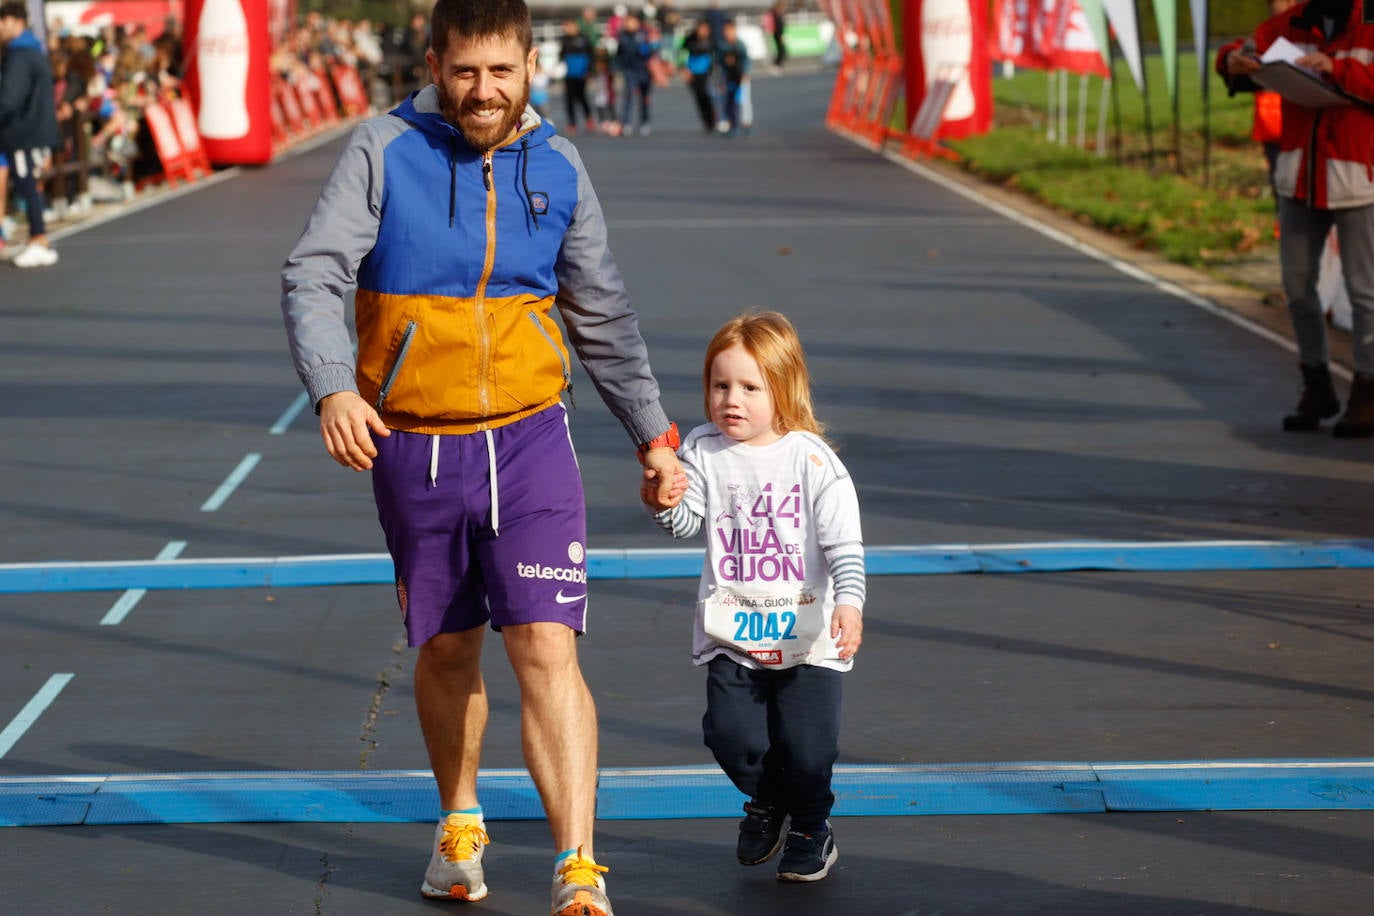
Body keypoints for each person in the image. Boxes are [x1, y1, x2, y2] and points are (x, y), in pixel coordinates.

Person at [279, 1, 684, 913]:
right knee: (451, 646)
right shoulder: (382, 148)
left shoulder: (561, 164)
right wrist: (334, 385)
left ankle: (578, 863)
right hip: (415, 444)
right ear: (435, 63)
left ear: (530, 66)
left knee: (546, 643)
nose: (484, 90)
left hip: (533, 437)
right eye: (466, 71)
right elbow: (314, 272)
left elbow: (602, 313)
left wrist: (654, 435)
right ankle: (459, 821)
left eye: (502, 71)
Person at [643, 310, 866, 883]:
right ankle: (770, 801)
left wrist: (849, 602)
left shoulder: (812, 460)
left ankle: (813, 826)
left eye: (749, 387)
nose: (731, 400)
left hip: (809, 637)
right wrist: (665, 500)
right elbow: (689, 520)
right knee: (730, 737)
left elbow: (844, 544)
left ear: (784, 389)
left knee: (809, 749)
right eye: (720, 386)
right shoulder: (702, 450)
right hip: (734, 634)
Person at [1217, 0, 1374, 437]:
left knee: (1366, 294)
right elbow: (1246, 49)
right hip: (1300, 174)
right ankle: (1316, 384)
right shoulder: (1294, 20)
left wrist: (1336, 70)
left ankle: (1367, 391)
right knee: (1298, 289)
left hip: (1359, 174)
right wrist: (1231, 60)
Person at [0, 1, 61, 268]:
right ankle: (38, 239)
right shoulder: (34, 49)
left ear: (13, 21)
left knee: (27, 185)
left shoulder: (20, 54)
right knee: (29, 186)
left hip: (24, 131)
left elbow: (10, 98)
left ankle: (38, 239)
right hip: (35, 128)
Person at [613, 13, 657, 136]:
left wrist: (647, 47)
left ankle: (645, 122)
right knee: (629, 96)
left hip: (644, 71)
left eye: (632, 22)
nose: (630, 24)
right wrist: (617, 68)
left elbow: (651, 52)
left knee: (644, 98)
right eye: (628, 22)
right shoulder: (623, 36)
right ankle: (626, 122)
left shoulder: (645, 34)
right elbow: (619, 55)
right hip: (630, 70)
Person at [679, 19, 717, 132]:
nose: (702, 32)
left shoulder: (711, 41)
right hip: (692, 72)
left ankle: (712, 119)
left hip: (706, 73)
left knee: (707, 95)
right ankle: (705, 120)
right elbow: (681, 54)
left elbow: (716, 56)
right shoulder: (689, 40)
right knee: (698, 97)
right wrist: (683, 69)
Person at [715, 19, 751, 136]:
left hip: (740, 77)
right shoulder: (721, 46)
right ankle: (732, 125)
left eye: (729, 30)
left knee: (743, 101)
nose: (727, 33)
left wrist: (745, 73)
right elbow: (718, 64)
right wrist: (720, 80)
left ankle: (747, 124)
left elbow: (747, 60)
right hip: (728, 78)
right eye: (725, 30)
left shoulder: (740, 44)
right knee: (728, 102)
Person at [559, 17, 594, 134]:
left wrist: (589, 71)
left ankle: (589, 118)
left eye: (568, 26)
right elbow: (561, 55)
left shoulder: (583, 39)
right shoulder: (564, 40)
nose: (566, 29)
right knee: (569, 99)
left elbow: (591, 55)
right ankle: (572, 123)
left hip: (581, 73)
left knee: (582, 97)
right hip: (570, 74)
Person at [768, 1, 788, 71]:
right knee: (781, 50)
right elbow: (779, 26)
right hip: (778, 34)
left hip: (778, 34)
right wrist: (781, 35)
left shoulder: (777, 14)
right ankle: (776, 64)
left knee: (781, 50)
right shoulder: (776, 14)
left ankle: (777, 64)